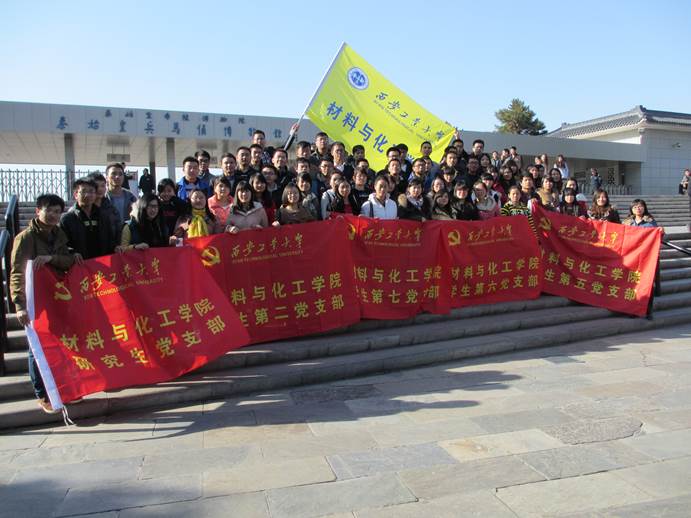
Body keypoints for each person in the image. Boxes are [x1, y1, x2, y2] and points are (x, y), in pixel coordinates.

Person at [10, 194, 78, 414]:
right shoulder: (25, 237)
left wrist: (51, 259)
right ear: (38, 210)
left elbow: (67, 260)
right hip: (34, 300)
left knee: (58, 343)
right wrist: (19, 305)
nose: (53, 215)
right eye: (49, 210)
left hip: (55, 296)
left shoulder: (59, 234)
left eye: (58, 212)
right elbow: (17, 273)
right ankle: (42, 394)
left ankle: (61, 389)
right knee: (36, 347)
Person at [60, 178, 117, 259]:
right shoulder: (67, 219)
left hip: (103, 263)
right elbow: (62, 245)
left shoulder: (104, 216)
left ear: (95, 194)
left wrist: (115, 247)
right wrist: (72, 253)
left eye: (91, 191)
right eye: (83, 191)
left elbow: (111, 240)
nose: (87, 195)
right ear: (76, 194)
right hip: (80, 264)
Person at [622, 199, 661, 318]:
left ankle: (648, 310)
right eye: (635, 207)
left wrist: (661, 232)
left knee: (648, 285)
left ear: (644, 208)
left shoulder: (650, 222)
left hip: (647, 259)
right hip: (631, 258)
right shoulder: (627, 222)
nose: (638, 209)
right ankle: (632, 309)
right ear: (631, 209)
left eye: (640, 206)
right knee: (631, 284)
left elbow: (657, 238)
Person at [105, 162, 137, 229]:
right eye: (113, 173)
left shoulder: (131, 197)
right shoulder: (103, 198)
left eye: (120, 174)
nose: (117, 177)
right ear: (107, 178)